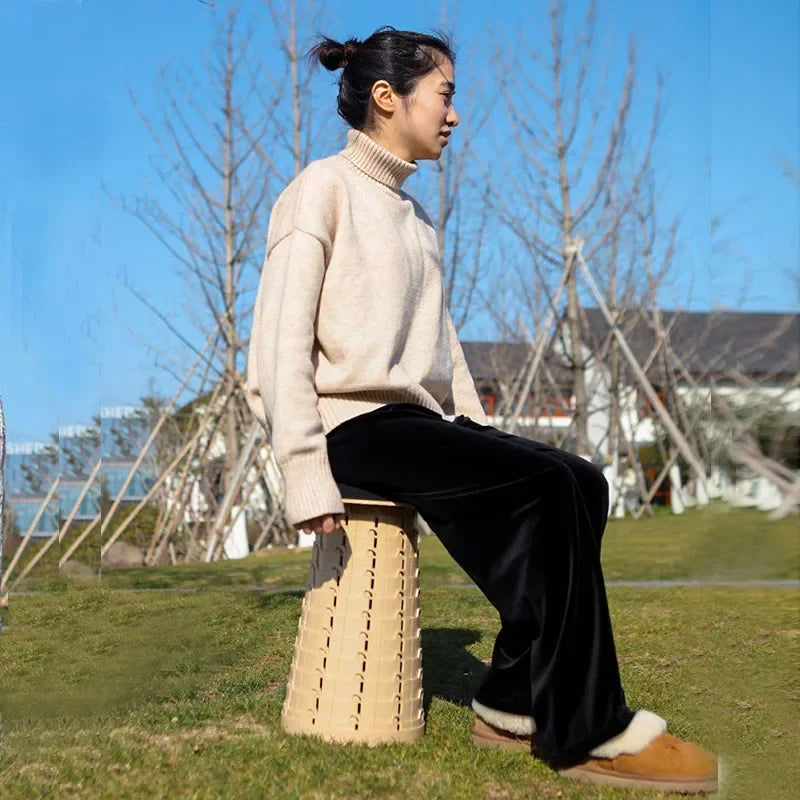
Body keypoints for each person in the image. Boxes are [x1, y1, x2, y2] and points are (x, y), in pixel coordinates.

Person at [245, 25, 718, 794]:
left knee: (581, 480)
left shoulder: (415, 219)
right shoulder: (319, 191)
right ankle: (588, 729)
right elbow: (277, 345)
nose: (455, 114)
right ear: (387, 96)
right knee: (544, 486)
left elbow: (442, 348)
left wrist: (480, 430)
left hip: (414, 425)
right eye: (446, 95)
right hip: (351, 428)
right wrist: (304, 474)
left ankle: (507, 702)